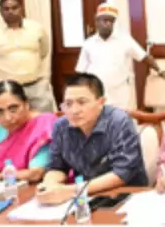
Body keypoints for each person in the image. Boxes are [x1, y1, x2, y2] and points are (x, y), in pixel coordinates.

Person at [37, 72, 149, 206]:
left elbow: (121, 174)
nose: (74, 110)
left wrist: (72, 191)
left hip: (125, 195)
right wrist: (49, 184)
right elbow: (57, 167)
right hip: (85, 197)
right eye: (68, 103)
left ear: (101, 102)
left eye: (82, 102)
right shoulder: (61, 126)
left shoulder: (119, 121)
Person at [75, 2, 165, 110]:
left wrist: (160, 71)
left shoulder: (124, 40)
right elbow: (81, 70)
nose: (108, 23)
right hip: (96, 91)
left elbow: (143, 57)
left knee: (121, 117)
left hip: (120, 92)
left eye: (111, 21)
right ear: (97, 21)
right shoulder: (88, 44)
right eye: (105, 20)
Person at [0, 80, 58, 189]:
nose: (7, 117)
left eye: (13, 109)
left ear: (26, 105)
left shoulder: (44, 124)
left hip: (36, 189)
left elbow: (35, 174)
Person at [0, 0, 54, 111]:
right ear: (0, 11)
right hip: (8, 88)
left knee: (44, 118)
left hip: (36, 85)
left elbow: (44, 52)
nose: (11, 11)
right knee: (11, 119)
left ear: (21, 8)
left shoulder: (36, 28)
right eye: (6, 9)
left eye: (14, 8)